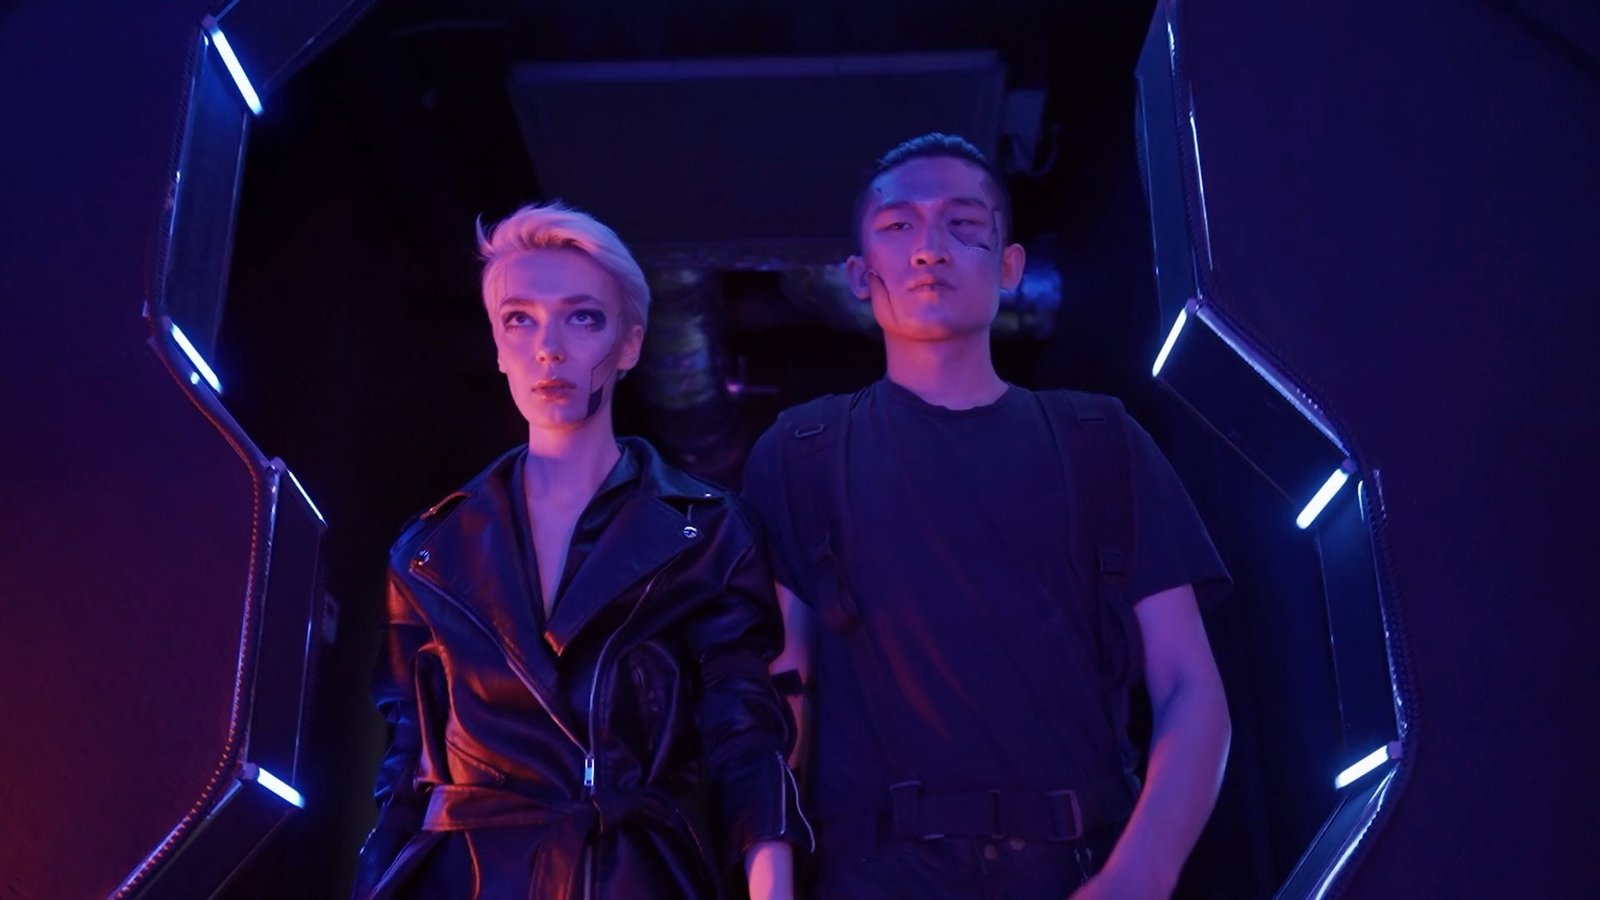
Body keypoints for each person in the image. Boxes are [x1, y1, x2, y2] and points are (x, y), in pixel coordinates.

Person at [740, 134, 1231, 899]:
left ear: (1009, 264)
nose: (929, 247)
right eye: (898, 225)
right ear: (859, 274)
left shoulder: (1100, 441)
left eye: (963, 223)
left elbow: (1188, 684)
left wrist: (1141, 872)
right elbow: (779, 697)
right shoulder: (802, 453)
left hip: (1081, 869)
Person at [353, 202, 811, 899]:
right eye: (520, 319)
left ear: (629, 345)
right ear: (497, 345)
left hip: (625, 875)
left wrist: (770, 884)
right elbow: (404, 769)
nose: (549, 348)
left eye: (584, 318)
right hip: (462, 879)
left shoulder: (708, 533)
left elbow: (743, 732)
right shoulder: (428, 551)